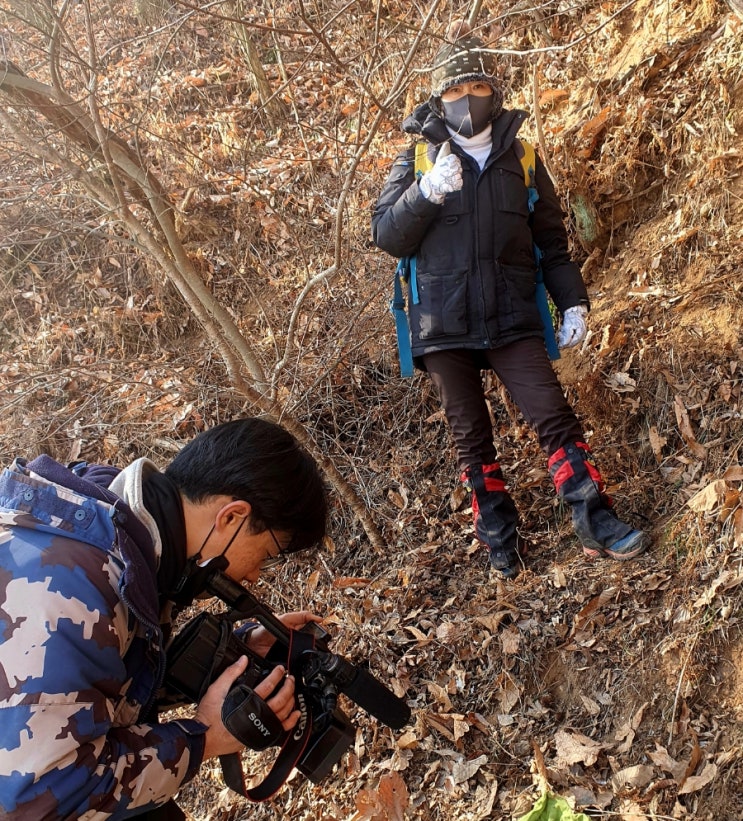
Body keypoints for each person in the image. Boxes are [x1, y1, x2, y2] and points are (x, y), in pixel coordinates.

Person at [371, 22, 647, 579]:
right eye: (452, 92)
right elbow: (385, 234)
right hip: (442, 324)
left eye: (474, 89)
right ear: (436, 99)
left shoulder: (521, 157)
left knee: (553, 416)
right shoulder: (418, 161)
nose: (464, 102)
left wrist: (573, 303)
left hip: (512, 315)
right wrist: (424, 196)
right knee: (471, 437)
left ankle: (594, 519)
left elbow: (552, 242)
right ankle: (499, 534)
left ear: (493, 92)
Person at [0, 417, 328, 819]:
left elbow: (102, 687)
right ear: (232, 517)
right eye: (267, 554)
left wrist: (231, 655)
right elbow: (44, 797)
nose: (255, 574)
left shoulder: (130, 541)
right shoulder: (71, 590)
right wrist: (202, 739)